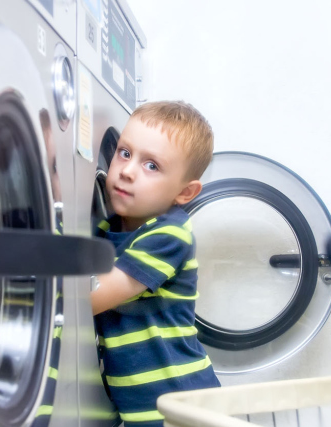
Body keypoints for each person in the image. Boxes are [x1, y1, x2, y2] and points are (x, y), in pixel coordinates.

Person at [91, 100, 219, 426]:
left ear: (185, 193)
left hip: (181, 404)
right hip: (142, 406)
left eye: (152, 166)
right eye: (124, 152)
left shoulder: (170, 235)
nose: (128, 171)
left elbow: (91, 297)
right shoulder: (108, 229)